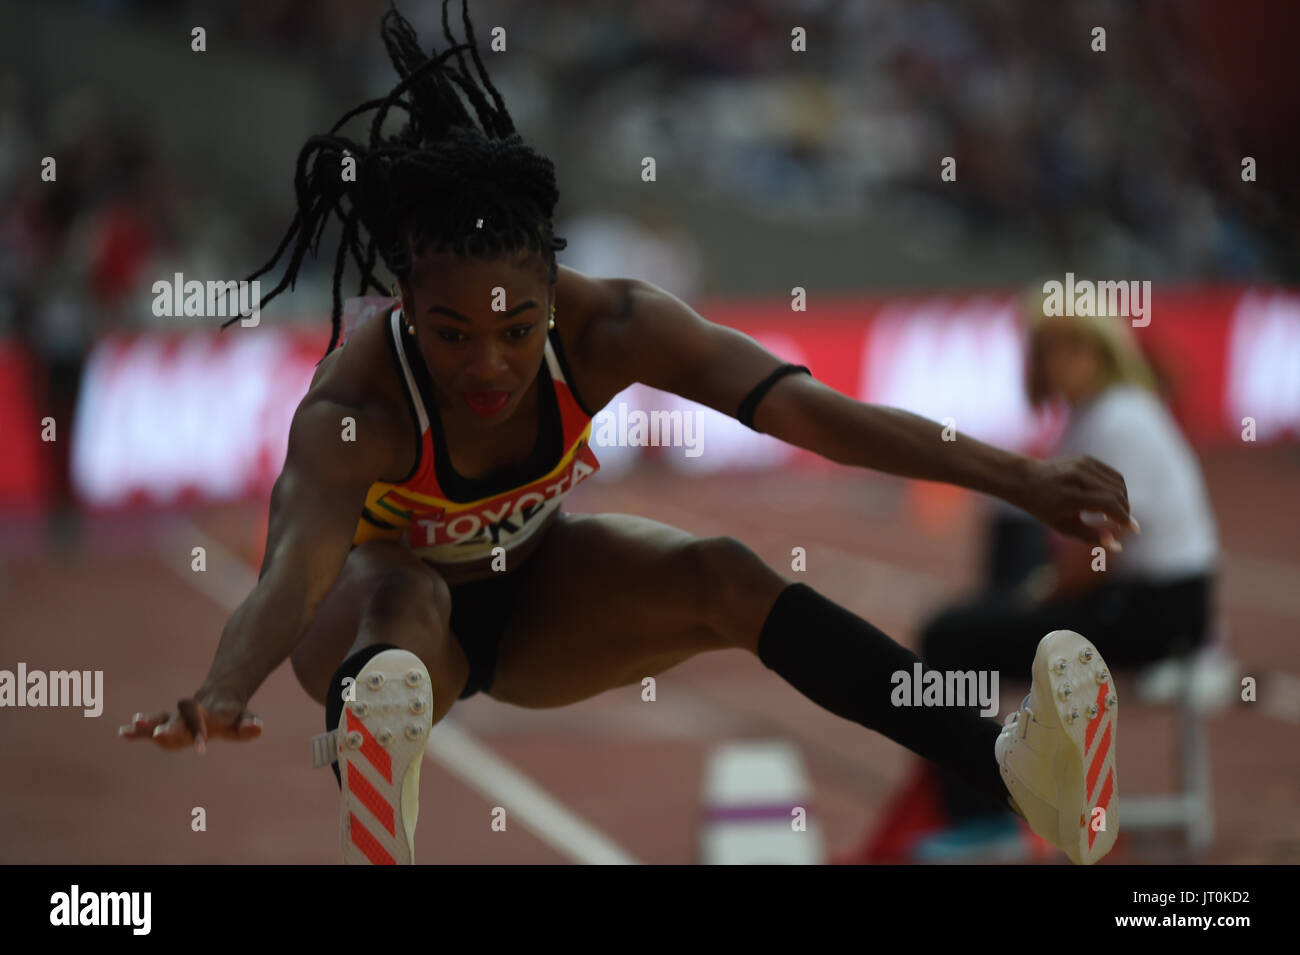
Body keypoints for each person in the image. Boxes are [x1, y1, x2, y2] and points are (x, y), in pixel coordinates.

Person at [120, 3, 1134, 866]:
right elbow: (292, 578)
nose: (487, 365)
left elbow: (819, 417)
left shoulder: (613, 328)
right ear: (402, 305)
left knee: (729, 577)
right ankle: (378, 745)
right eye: (451, 334)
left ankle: (1011, 766)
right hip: (370, 631)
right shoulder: (358, 413)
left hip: (537, 607)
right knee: (407, 588)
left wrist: (1021, 477)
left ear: (554, 294)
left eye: (517, 331)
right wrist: (220, 689)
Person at [844, 289, 1219, 863]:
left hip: (1156, 612)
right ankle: (988, 796)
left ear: (1096, 350)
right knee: (973, 613)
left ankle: (985, 820)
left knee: (952, 637)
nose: (1046, 363)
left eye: (1062, 348)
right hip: (1144, 601)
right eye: (1041, 349)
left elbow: (1096, 561)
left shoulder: (1115, 422)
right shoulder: (1099, 415)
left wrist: (1028, 602)